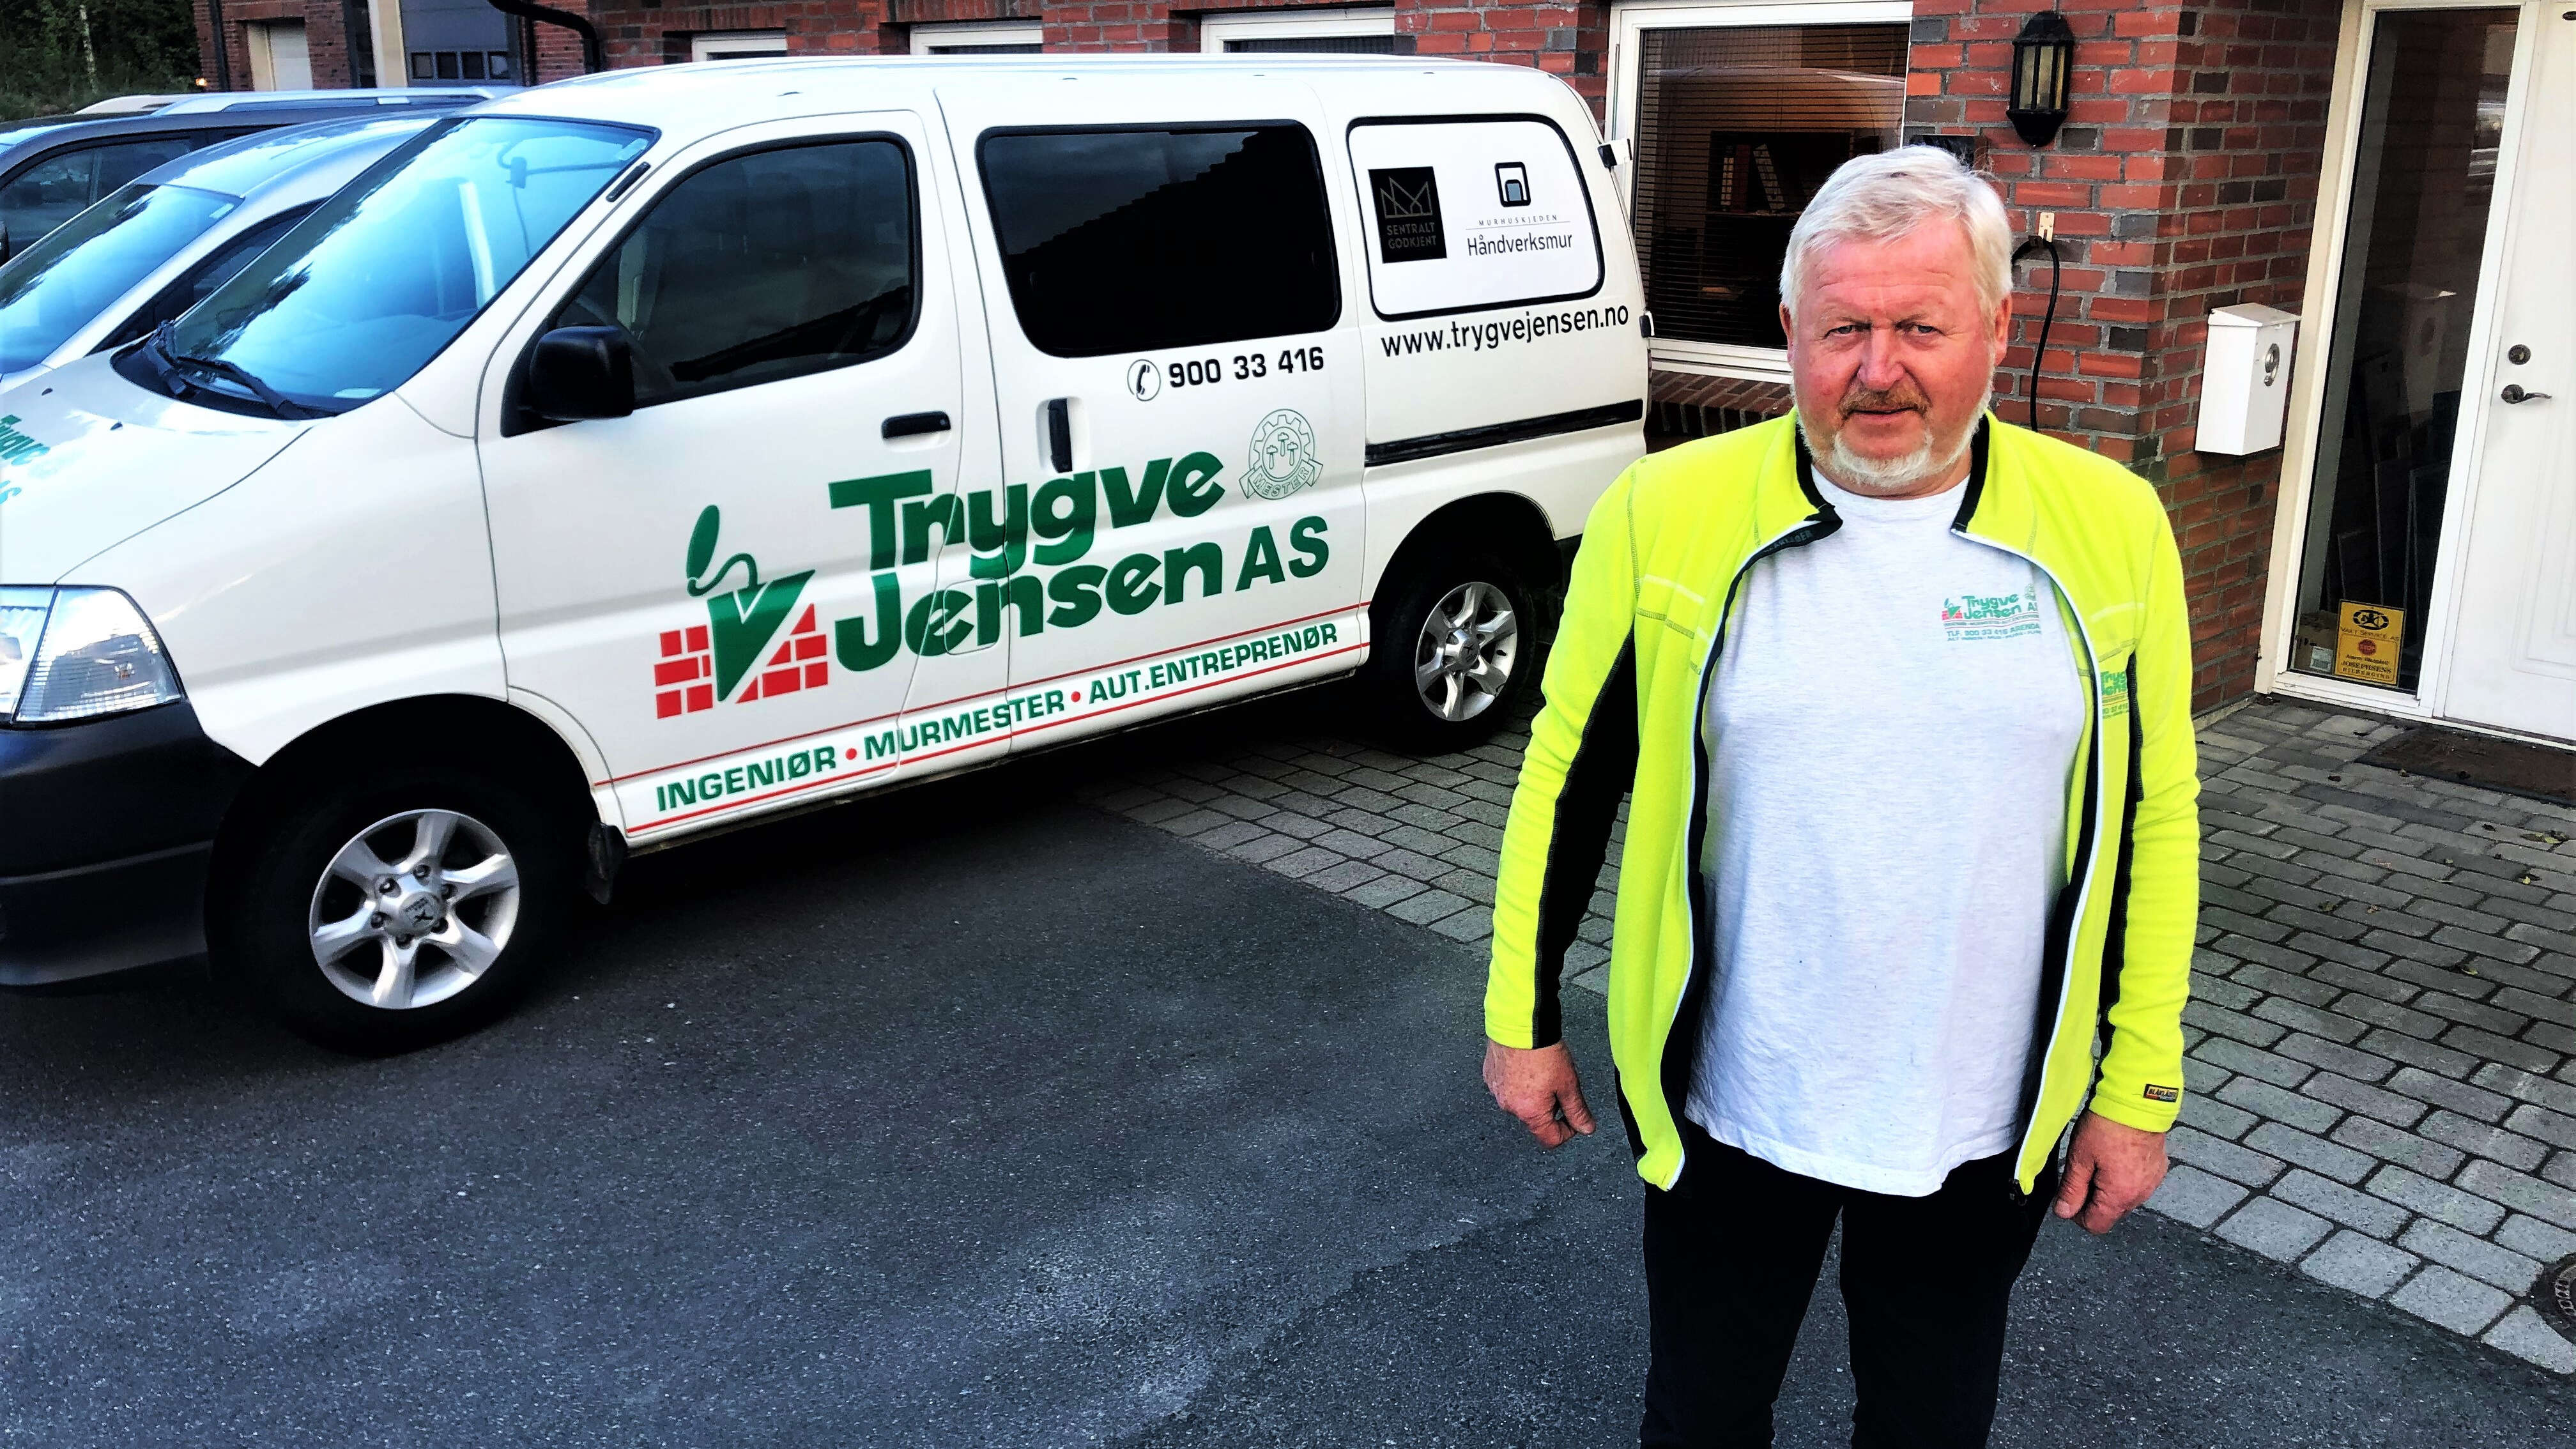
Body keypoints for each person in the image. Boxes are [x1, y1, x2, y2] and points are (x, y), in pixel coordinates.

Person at [1480, 146, 2200, 1448]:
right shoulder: (1665, 509)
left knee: (1930, 1426)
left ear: (1997, 326)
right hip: (1731, 1102)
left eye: (1921, 327)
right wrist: (1519, 1020)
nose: (1878, 371)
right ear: (1788, 332)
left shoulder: (2113, 524)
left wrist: (2138, 1084)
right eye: (1842, 330)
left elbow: (2157, 818)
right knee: (1701, 1420)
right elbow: (1567, 774)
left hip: (1982, 1119)